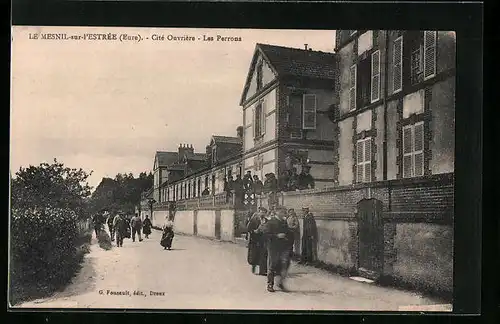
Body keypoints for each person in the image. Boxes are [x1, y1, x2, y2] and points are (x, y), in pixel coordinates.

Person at [256, 206, 291, 292]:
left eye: (284, 212)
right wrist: (277, 236)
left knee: (284, 265)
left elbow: (288, 233)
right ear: (277, 212)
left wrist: (288, 240)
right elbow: (266, 234)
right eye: (282, 212)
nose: (284, 214)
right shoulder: (271, 222)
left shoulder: (284, 222)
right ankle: (270, 284)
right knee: (272, 265)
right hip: (273, 247)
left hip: (283, 247)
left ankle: (280, 283)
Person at [246, 207, 268, 276]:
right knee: (254, 255)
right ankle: (253, 267)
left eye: (264, 212)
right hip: (255, 239)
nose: (263, 213)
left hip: (263, 240)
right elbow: (248, 229)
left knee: (263, 255)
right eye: (262, 212)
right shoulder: (254, 220)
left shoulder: (266, 220)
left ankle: (262, 271)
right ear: (259, 212)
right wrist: (254, 231)